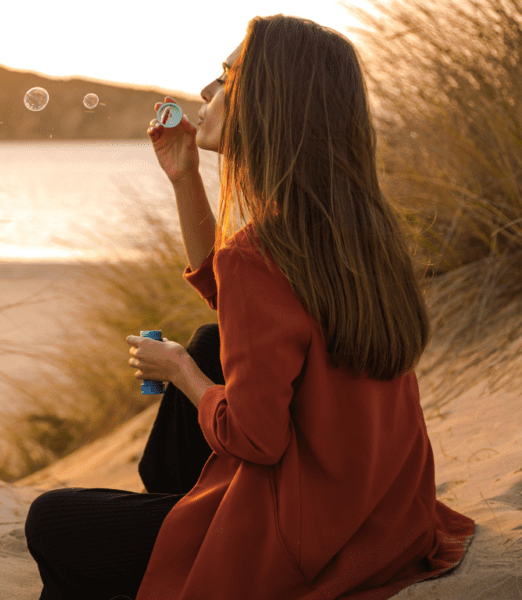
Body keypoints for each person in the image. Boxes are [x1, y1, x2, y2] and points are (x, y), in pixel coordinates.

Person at [24, 14, 475, 600]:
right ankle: (170, 512)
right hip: (384, 518)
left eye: (225, 77)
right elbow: (245, 309)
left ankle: (172, 536)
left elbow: (256, 440)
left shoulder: (260, 254)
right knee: (214, 338)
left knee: (52, 520)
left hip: (299, 536)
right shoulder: (365, 231)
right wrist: (186, 178)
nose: (207, 93)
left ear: (266, 103)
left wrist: (179, 371)